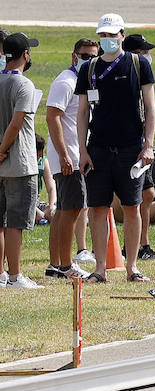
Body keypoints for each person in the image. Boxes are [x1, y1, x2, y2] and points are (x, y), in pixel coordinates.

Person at [76, 14, 155, 283]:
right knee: (98, 208)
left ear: (123, 34)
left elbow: (150, 106)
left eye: (112, 35)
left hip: (130, 148)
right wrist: (82, 150)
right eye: (103, 36)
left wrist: (148, 145)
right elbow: (83, 111)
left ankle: (132, 266)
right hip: (97, 147)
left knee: (132, 206)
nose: (108, 40)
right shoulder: (89, 68)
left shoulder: (138, 63)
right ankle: (100, 268)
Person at [45, 37, 98, 280]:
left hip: (75, 156)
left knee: (65, 210)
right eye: (85, 56)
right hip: (69, 158)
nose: (89, 60)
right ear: (74, 56)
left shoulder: (85, 81)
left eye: (93, 57)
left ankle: (55, 265)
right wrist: (65, 155)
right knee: (72, 210)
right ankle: (66, 266)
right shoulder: (66, 81)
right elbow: (52, 117)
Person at [0, 33, 43, 289]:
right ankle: (15, 276)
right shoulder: (23, 85)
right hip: (18, 163)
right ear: (25, 54)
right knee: (15, 223)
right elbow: (17, 123)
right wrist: (3, 149)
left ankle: (1, 275)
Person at [118, 33, 155, 262]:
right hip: (129, 143)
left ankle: (141, 243)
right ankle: (135, 246)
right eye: (144, 51)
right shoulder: (127, 74)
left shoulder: (139, 73)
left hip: (141, 141)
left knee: (148, 193)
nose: (148, 56)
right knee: (136, 197)